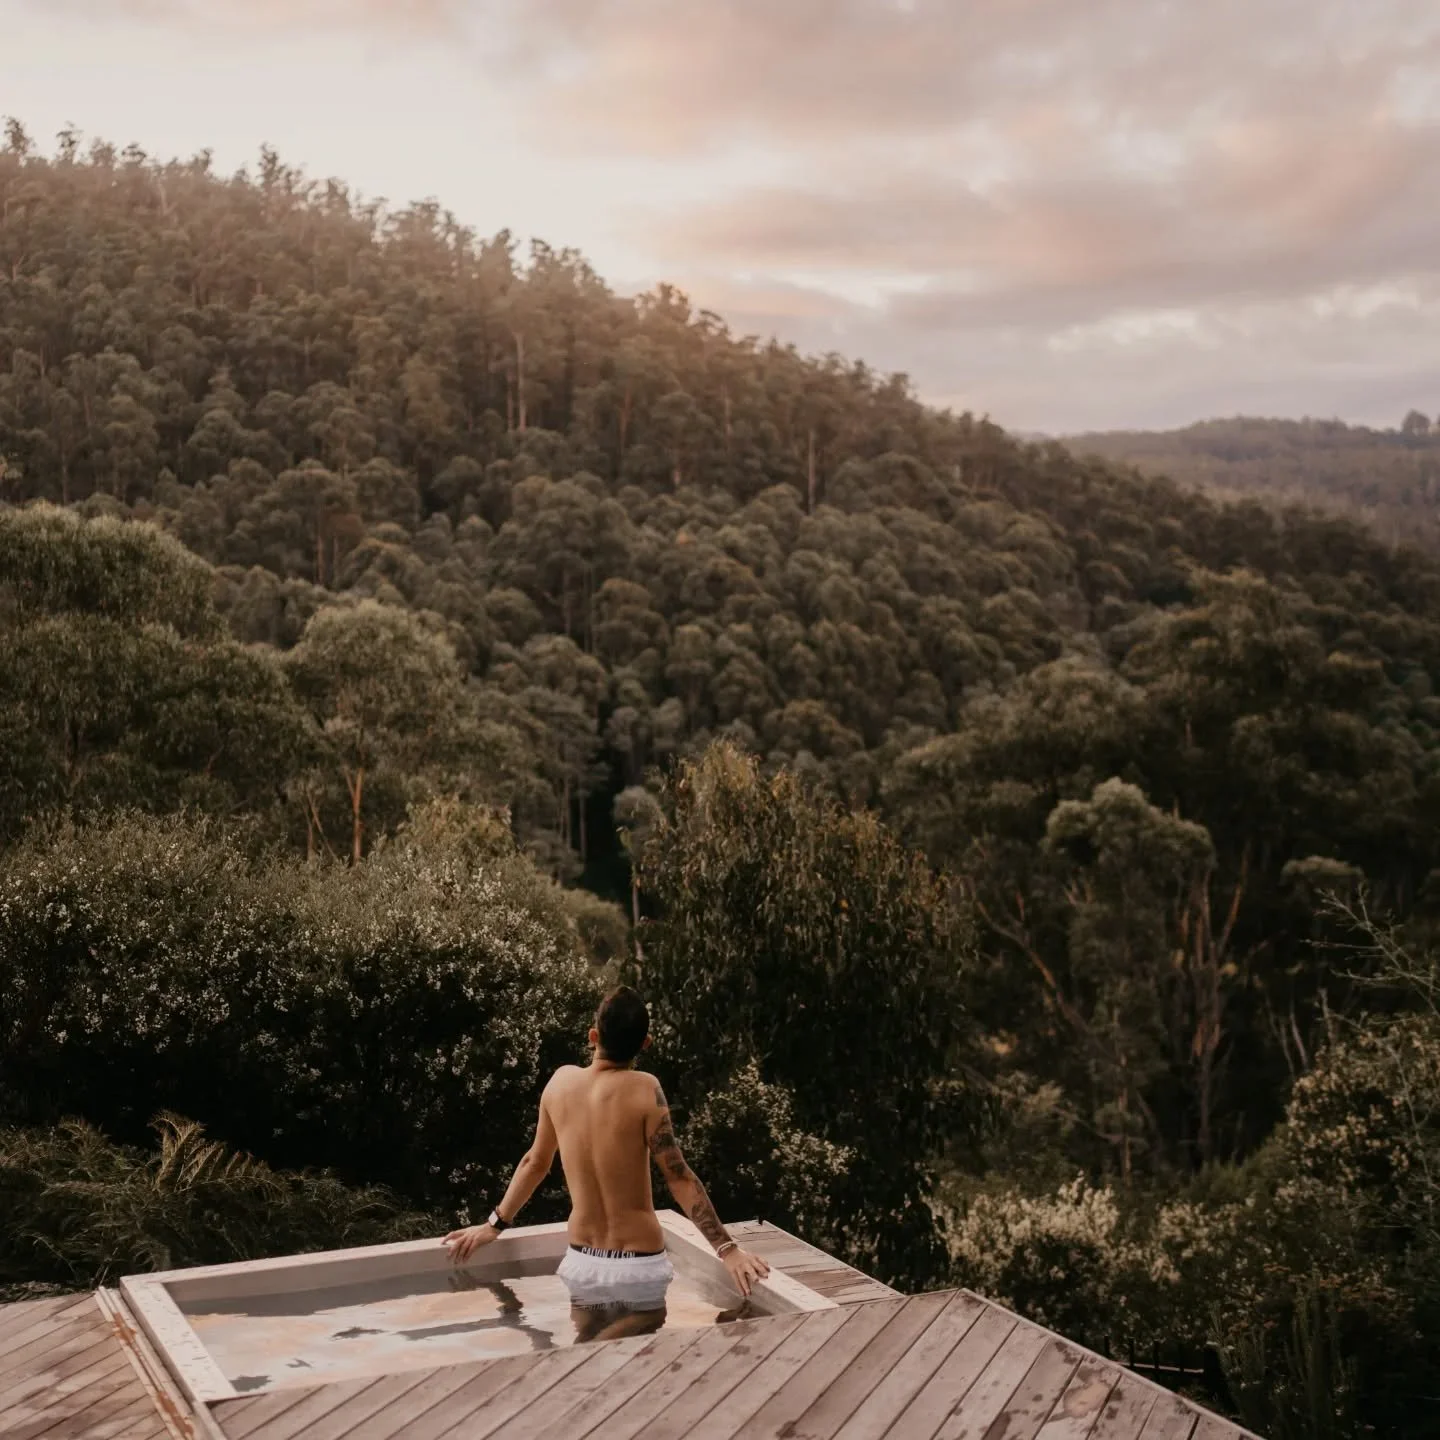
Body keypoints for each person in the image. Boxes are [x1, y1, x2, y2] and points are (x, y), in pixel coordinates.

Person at [443, 986, 770, 1342]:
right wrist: (728, 1250)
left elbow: (534, 1163)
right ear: (645, 1044)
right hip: (638, 1267)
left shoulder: (559, 1083)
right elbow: (679, 1178)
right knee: (634, 1342)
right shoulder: (646, 1089)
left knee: (589, 1352)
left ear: (593, 1036)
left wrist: (493, 1225)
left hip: (582, 1263)